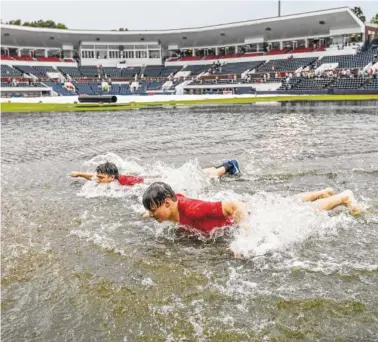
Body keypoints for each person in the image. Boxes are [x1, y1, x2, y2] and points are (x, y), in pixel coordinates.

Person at [142, 183, 362, 237]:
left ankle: (343, 197)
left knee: (300, 215)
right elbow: (178, 192)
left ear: (168, 204)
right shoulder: (174, 203)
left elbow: (235, 206)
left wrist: (247, 234)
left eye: (153, 211)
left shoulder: (195, 210)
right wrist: (148, 210)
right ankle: (322, 191)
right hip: (247, 216)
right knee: (285, 204)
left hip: (249, 220)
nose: (151, 215)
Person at [69, 159, 241, 186]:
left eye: (100, 177)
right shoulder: (112, 180)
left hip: (162, 180)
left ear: (111, 176)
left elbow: (144, 183)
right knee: (200, 173)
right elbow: (92, 176)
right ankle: (221, 166)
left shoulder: (123, 181)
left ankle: (228, 165)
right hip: (159, 176)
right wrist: (78, 174)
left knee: (205, 177)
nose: (97, 179)